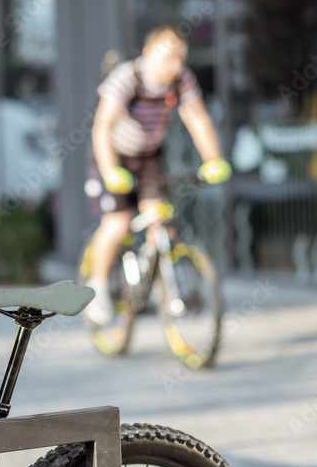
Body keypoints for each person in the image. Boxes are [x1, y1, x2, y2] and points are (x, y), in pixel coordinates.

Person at [84, 26, 230, 326]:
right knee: (117, 222)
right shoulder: (126, 77)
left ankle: (159, 286)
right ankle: (97, 288)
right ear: (149, 53)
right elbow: (102, 126)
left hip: (150, 156)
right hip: (112, 153)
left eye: (180, 58)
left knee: (159, 219)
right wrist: (111, 170)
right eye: (168, 58)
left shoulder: (180, 80)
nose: (175, 65)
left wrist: (213, 159)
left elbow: (197, 118)